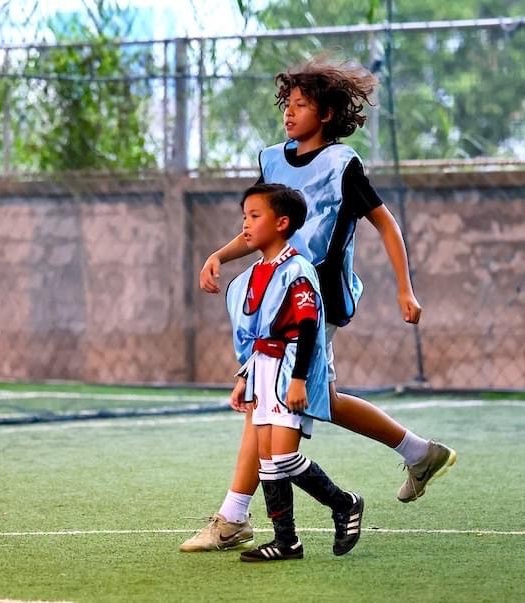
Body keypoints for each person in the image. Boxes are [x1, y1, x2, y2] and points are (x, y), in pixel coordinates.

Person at [181, 56, 455, 553]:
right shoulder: (271, 159)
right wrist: (220, 254)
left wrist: (404, 288)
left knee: (264, 401)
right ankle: (420, 452)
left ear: (326, 113)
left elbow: (386, 224)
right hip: (274, 295)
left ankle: (233, 517)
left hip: (314, 301)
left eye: (301, 104)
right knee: (318, 399)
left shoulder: (342, 165)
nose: (289, 112)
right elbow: (262, 226)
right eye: (287, 103)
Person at [225, 183, 363, 562]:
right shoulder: (257, 271)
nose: (246, 225)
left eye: (255, 216)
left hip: (289, 369)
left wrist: (299, 378)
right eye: (244, 217)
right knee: (268, 459)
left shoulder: (297, 269)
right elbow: (259, 332)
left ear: (282, 223)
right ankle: (287, 541)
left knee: (283, 457)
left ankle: (345, 502)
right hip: (264, 370)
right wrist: (243, 377)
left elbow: (305, 325)